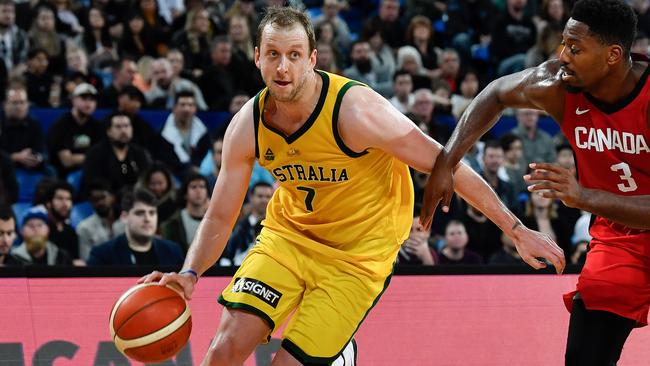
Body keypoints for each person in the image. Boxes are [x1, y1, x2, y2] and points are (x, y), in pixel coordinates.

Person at [140, 7, 564, 365]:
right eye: (273, 54)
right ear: (257, 58)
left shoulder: (357, 112)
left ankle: (342, 356)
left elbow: (445, 165)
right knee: (221, 353)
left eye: (293, 54)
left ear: (312, 58)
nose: (283, 66)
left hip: (356, 260)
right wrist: (190, 272)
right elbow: (220, 213)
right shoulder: (246, 126)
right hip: (287, 240)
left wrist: (515, 229)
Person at [421, 1, 650, 364]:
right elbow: (495, 93)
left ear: (613, 55)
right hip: (618, 235)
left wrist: (584, 197)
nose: (563, 56)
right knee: (584, 355)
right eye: (563, 44)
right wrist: (446, 163)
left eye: (575, 48)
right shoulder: (558, 84)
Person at [87, 188, 183, 266]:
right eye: (140, 213)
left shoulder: (173, 251)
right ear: (124, 217)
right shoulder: (102, 255)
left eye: (152, 213)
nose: (147, 219)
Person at [160, 172, 210, 254]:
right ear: (185, 194)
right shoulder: (173, 223)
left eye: (202, 187)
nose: (198, 191)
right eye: (193, 187)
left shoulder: (215, 221)